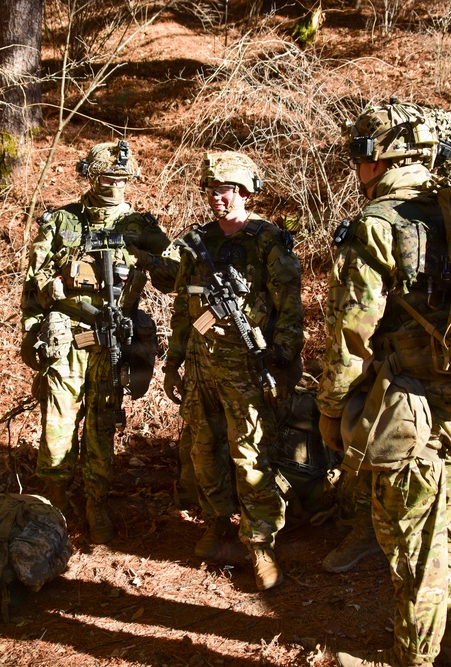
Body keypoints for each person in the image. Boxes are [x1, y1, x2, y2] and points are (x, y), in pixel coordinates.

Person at [318, 102, 451, 667]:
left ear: (378, 158)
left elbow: (352, 336)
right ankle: (448, 639)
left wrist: (331, 408)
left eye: (358, 155)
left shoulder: (377, 225)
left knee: (413, 542)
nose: (356, 167)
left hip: (407, 407)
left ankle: (415, 658)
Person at [165, 151, 304, 591]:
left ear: (244, 191)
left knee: (250, 455)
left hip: (246, 367)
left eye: (223, 189)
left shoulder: (267, 241)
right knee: (204, 450)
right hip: (201, 366)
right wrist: (174, 359)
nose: (216, 197)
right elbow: (184, 307)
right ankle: (217, 523)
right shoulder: (199, 241)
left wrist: (283, 358)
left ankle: (261, 544)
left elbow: (290, 308)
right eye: (211, 189)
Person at [21, 140, 171, 544]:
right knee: (58, 420)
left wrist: (150, 259)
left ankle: (96, 500)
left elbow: (173, 274)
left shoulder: (139, 225)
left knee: (103, 421)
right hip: (67, 335)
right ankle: (54, 500)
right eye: (107, 178)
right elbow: (33, 281)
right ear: (90, 177)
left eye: (123, 179)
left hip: (112, 337)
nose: (116, 186)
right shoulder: (61, 221)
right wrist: (33, 328)